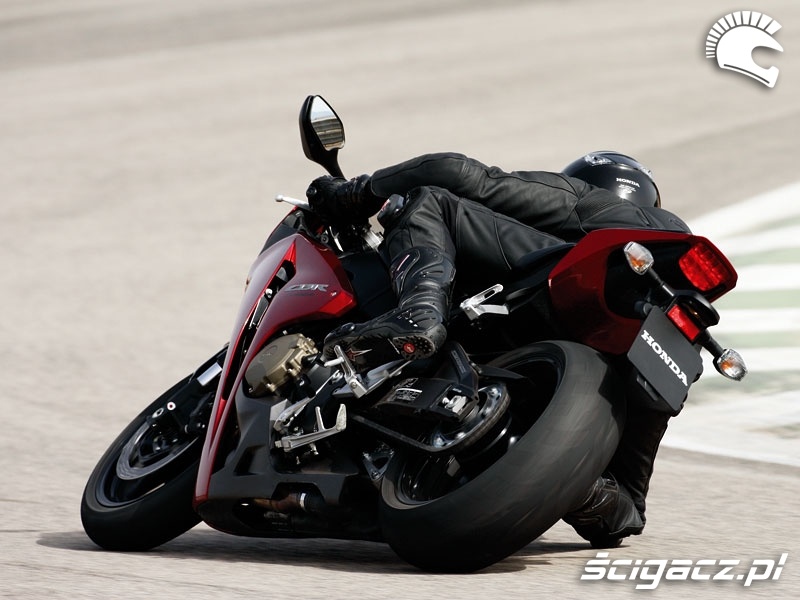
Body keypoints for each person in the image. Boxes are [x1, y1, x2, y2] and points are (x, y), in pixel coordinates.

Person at [306, 151, 690, 548]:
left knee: (433, 199)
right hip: (645, 321)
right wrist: (574, 479)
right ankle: (587, 491)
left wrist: (356, 194)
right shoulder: (658, 320)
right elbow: (625, 515)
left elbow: (463, 175)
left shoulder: (593, 202)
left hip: (569, 293)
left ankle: (418, 313)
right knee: (623, 497)